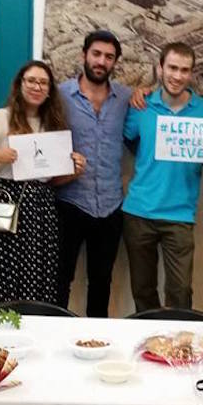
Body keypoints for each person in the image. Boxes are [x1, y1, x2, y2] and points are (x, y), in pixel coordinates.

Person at [0, 60, 86, 310]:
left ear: (50, 90)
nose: (37, 86)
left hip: (40, 211)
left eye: (43, 83)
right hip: (4, 206)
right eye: (32, 81)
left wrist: (73, 172)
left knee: (38, 274)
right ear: (20, 85)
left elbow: (52, 181)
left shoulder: (53, 125)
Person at [122, 42, 203, 311]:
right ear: (160, 69)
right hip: (139, 211)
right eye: (172, 68)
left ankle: (178, 349)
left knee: (180, 291)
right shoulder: (141, 106)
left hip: (180, 215)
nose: (177, 76)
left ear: (191, 74)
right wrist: (138, 93)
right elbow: (125, 141)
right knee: (142, 290)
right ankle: (149, 343)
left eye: (184, 70)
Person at [56, 30, 131, 317]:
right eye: (96, 54)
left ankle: (96, 346)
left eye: (109, 57)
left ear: (115, 62)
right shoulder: (60, 95)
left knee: (102, 282)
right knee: (61, 280)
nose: (101, 61)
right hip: (69, 203)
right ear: (84, 55)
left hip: (111, 206)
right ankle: (55, 338)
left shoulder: (125, 98)